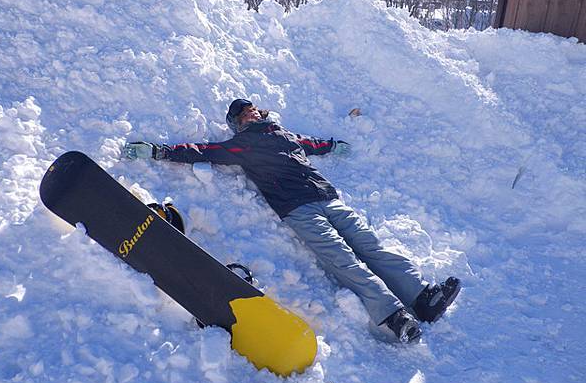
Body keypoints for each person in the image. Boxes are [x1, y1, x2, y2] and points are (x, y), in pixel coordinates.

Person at [123, 99, 460, 343]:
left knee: (372, 246)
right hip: (299, 210)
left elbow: (310, 145)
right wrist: (158, 151)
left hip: (327, 198)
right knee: (342, 260)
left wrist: (331, 146)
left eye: (250, 108)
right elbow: (201, 151)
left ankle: (422, 299)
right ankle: (393, 316)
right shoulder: (242, 145)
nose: (249, 113)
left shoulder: (284, 134)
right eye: (240, 113)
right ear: (236, 124)